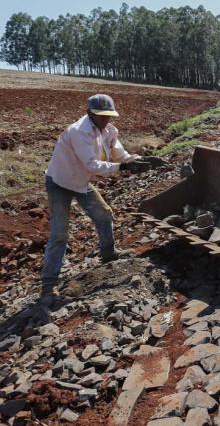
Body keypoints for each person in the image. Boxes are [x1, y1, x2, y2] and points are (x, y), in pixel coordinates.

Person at [39, 94, 149, 305]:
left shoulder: (109, 130)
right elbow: (92, 165)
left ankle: (108, 254)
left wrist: (138, 161)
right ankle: (48, 284)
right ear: (90, 113)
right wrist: (124, 168)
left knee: (103, 214)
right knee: (60, 234)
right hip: (59, 183)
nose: (106, 119)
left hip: (80, 182)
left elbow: (119, 154)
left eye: (109, 115)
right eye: (102, 116)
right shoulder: (79, 131)